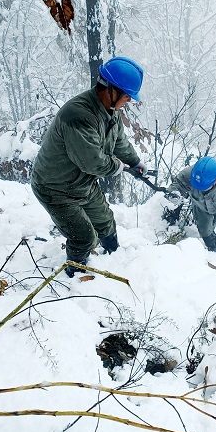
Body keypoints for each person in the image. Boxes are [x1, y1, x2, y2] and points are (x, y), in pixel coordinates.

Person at [31, 56, 148, 277]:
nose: (128, 102)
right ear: (111, 90)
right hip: (54, 187)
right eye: (127, 97)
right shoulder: (78, 116)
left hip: (81, 183)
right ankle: (74, 275)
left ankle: (115, 257)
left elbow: (119, 142)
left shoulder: (110, 112)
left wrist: (134, 161)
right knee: (84, 237)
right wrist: (120, 167)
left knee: (105, 222)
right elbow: (93, 163)